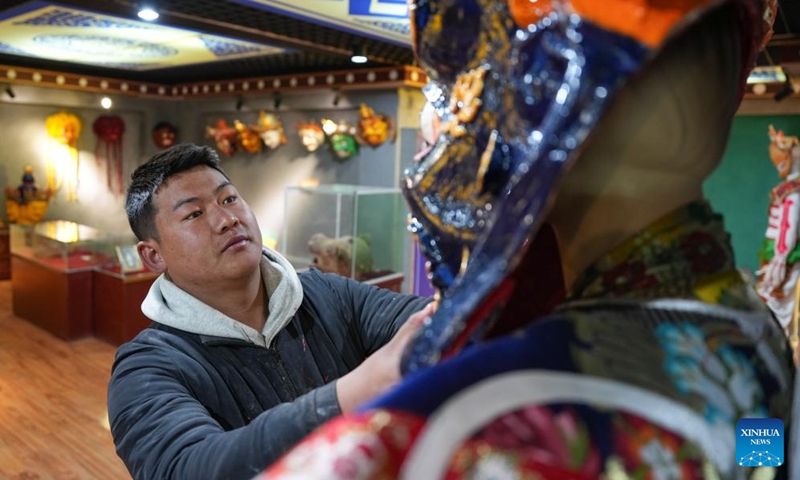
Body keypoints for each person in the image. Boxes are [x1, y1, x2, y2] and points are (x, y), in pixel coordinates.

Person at [261, 0, 797, 478]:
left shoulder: (445, 433)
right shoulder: (752, 332)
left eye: (513, 79)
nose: (463, 126)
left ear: (675, 117)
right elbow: (760, 461)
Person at [107, 143, 432, 480]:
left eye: (229, 198)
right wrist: (346, 397)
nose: (227, 219)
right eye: (194, 214)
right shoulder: (146, 369)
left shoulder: (328, 293)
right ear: (154, 256)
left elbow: (425, 319)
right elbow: (187, 467)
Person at [758, 124, 800, 363]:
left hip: (785, 255)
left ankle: (782, 349)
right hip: (779, 252)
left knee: (777, 299)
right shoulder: (789, 191)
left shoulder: (792, 193)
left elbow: (788, 227)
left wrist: (780, 258)